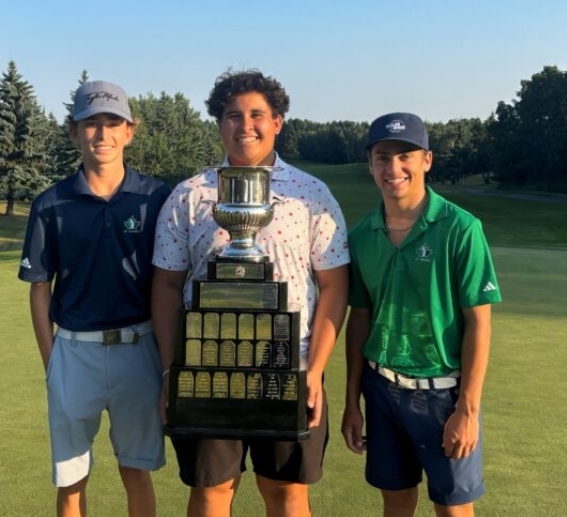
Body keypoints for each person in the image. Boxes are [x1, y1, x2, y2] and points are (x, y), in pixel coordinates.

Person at [151, 69, 350, 517]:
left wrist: (314, 371)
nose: (245, 125)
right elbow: (165, 286)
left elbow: (335, 286)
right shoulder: (190, 196)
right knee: (211, 491)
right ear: (219, 124)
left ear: (278, 121)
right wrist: (171, 373)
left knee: (287, 494)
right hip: (207, 371)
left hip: (289, 367)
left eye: (257, 114)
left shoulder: (311, 194)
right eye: (232, 115)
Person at [18, 80, 171, 517]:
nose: (101, 135)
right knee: (71, 480)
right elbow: (39, 287)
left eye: (112, 123)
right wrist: (52, 361)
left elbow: (169, 281)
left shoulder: (156, 197)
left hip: (138, 348)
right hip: (74, 352)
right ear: (73, 132)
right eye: (90, 125)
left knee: (135, 472)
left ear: (130, 131)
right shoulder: (50, 203)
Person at [340, 112, 502, 517]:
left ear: (426, 160)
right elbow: (359, 319)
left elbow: (478, 323)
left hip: (443, 394)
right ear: (371, 164)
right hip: (381, 390)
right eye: (382, 157)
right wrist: (351, 402)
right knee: (395, 504)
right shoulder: (361, 235)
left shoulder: (461, 228)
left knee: (452, 509)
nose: (393, 168)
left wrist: (468, 409)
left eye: (404, 155)